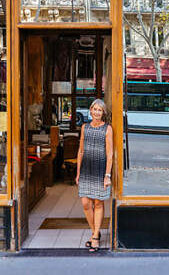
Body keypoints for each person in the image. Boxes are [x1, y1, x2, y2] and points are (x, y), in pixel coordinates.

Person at [76, 99, 113, 253]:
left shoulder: (107, 129)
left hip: (100, 169)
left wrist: (107, 175)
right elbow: (81, 151)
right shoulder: (85, 127)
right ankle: (95, 232)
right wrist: (78, 173)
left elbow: (110, 153)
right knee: (85, 203)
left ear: (103, 112)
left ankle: (95, 237)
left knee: (98, 203)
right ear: (90, 111)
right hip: (86, 169)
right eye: (94, 109)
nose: (97, 112)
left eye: (100, 110)